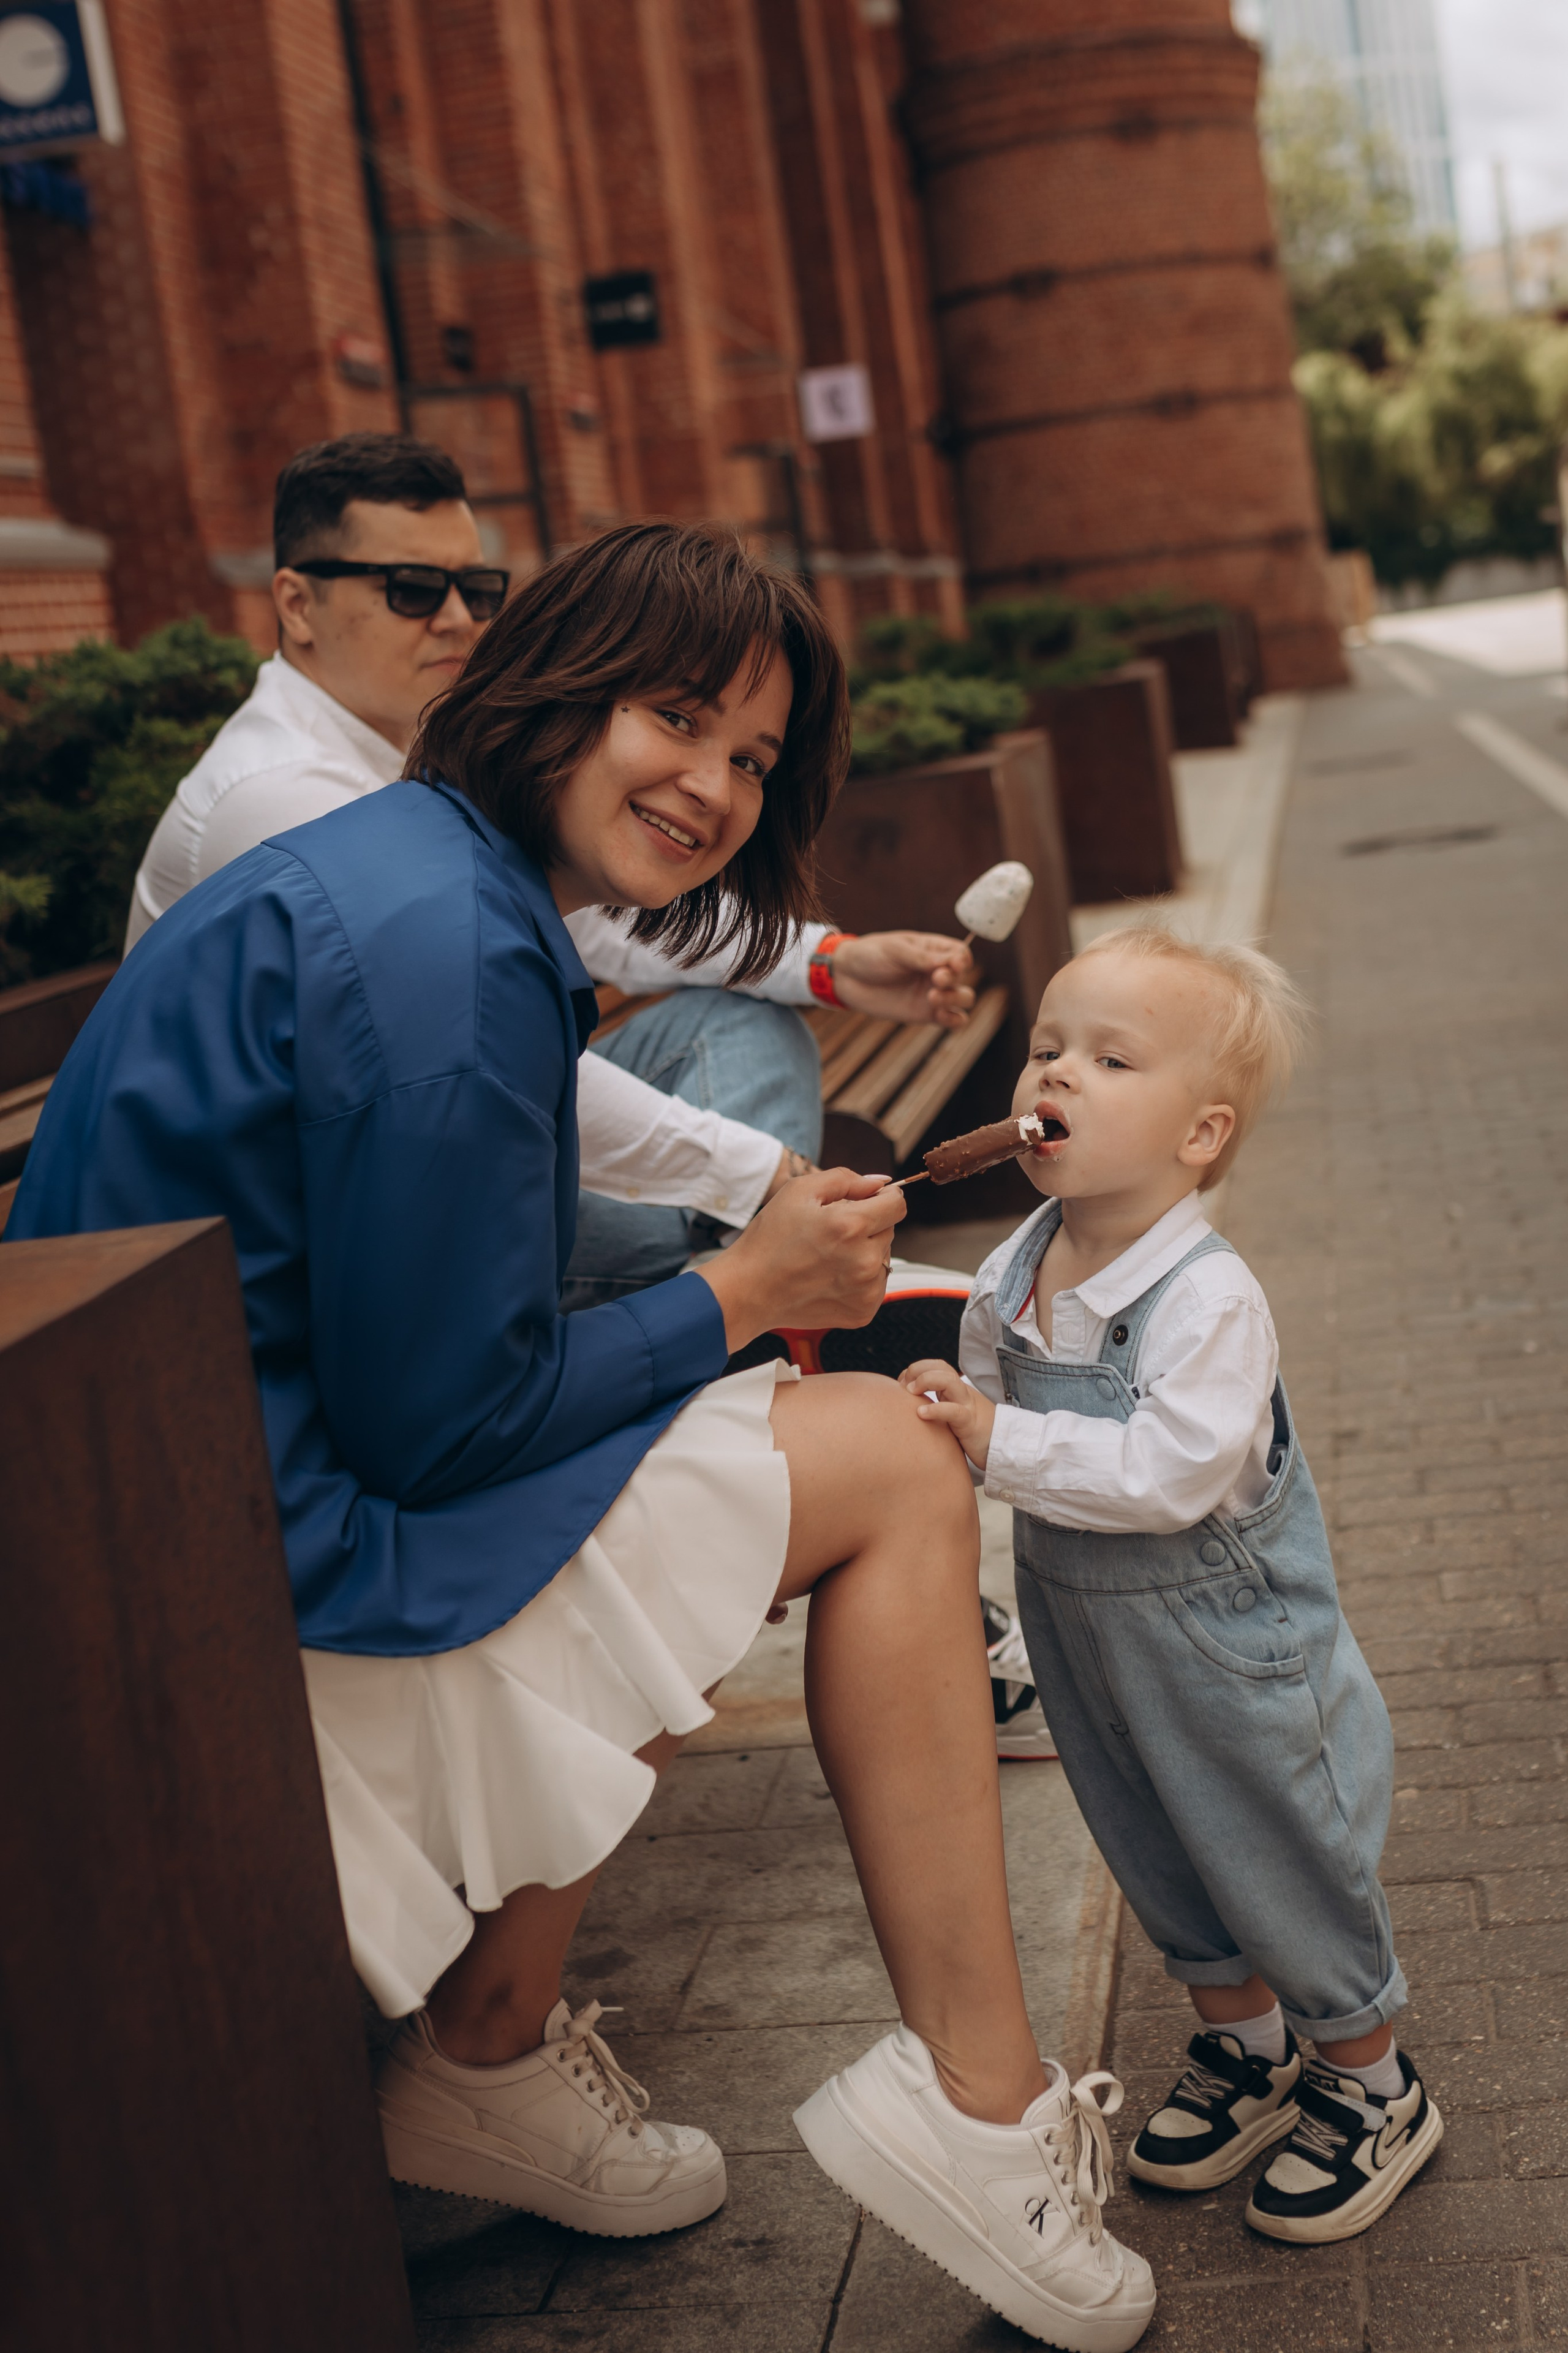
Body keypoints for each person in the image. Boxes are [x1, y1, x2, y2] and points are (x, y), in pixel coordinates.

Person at [10, 524, 1155, 2351]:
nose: (712, 785)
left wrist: (749, 1246)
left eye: (756, 757)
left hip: (190, 1532)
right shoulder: (438, 936)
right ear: (553, 684)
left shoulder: (423, 874)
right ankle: (985, 2107)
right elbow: (447, 1433)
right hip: (245, 1613)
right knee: (882, 1463)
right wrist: (736, 1290)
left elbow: (507, 1195)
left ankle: (486, 2052)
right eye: (678, 716)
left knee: (725, 1469)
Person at [900, 925, 1440, 2246]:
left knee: (1274, 1850)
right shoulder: (1016, 1261)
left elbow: (1171, 1475)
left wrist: (994, 1436)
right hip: (1087, 1641)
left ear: (1199, 1136)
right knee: (1155, 1847)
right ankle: (1246, 2051)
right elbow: (980, 1391)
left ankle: (1371, 2082)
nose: (1058, 1075)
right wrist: (940, 1410)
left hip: (1223, 1644)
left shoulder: (1206, 1299)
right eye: (1046, 1047)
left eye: (1108, 1057)